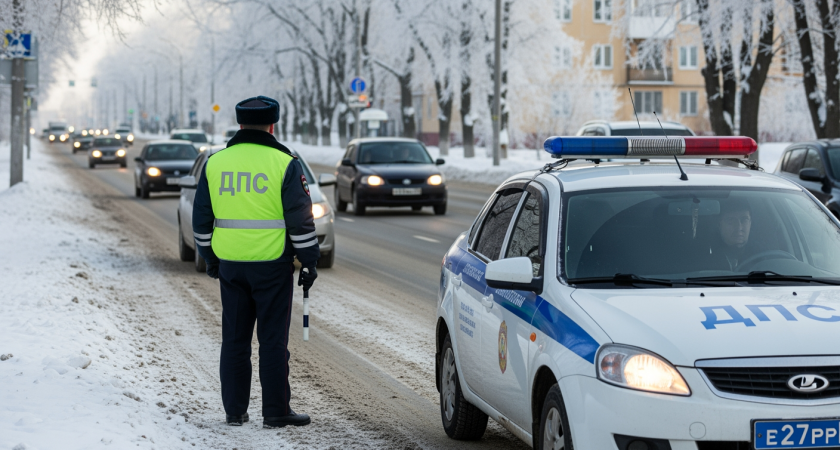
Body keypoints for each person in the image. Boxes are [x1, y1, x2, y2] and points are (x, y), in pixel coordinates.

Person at [192, 95, 319, 429]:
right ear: (272, 124)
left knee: (234, 341)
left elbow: (201, 219)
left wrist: (210, 258)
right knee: (272, 342)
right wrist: (308, 262)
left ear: (239, 124)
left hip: (231, 265)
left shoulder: (216, 163)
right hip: (272, 265)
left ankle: (234, 411)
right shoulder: (285, 163)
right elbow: (300, 219)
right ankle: (276, 411)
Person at [712, 198, 752, 271]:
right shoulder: (706, 258)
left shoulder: (764, 255)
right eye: (731, 220)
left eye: (744, 219)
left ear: (750, 223)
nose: (739, 227)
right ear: (719, 225)